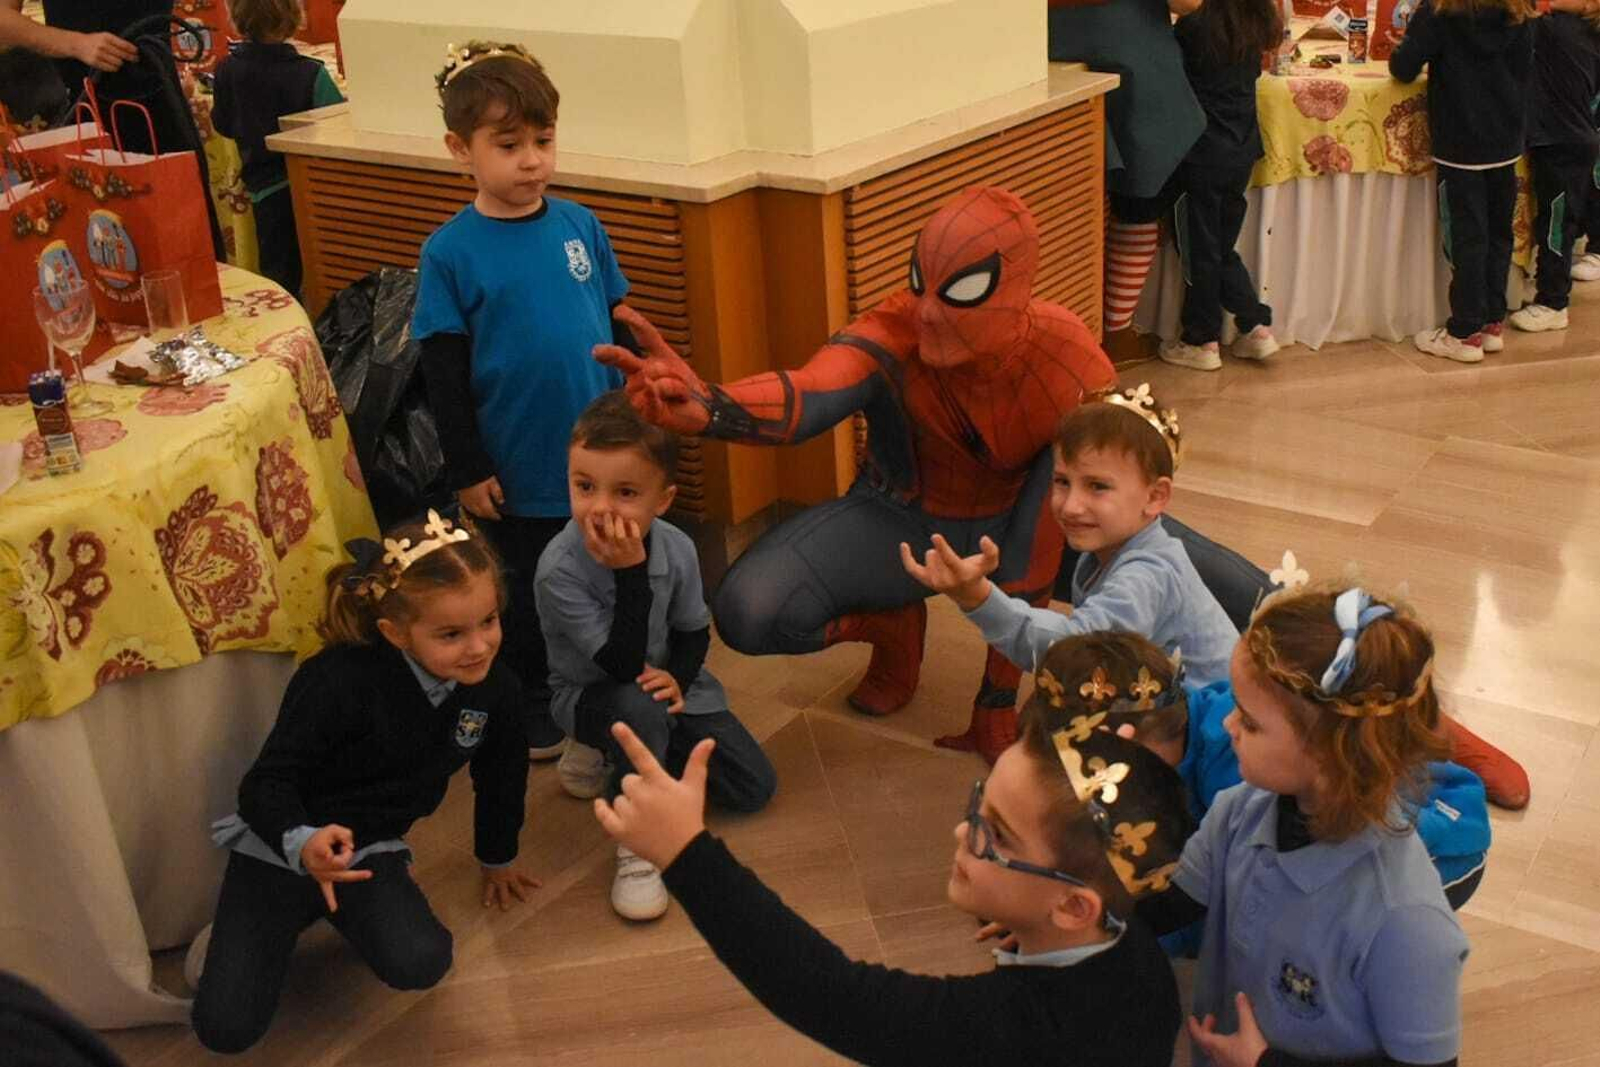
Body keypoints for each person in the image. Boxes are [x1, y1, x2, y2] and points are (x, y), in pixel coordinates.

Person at [595, 186, 1116, 765]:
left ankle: (1002, 698)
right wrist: (712, 406)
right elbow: (810, 392)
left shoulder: (1063, 351)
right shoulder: (896, 328)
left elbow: (1095, 484)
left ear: (1015, 291)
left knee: (1192, 585)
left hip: (1024, 520)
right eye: (920, 282)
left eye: (962, 291)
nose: (928, 311)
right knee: (750, 612)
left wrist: (996, 701)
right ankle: (890, 625)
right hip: (903, 516)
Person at [589, 685, 1196, 1064]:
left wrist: (687, 854)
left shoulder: (1017, 1031)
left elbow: (834, 996)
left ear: (1072, 907)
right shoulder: (1127, 949)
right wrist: (1029, 920)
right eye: (978, 805)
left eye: (997, 834)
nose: (962, 833)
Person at [188, 511, 540, 1054]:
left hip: (365, 850)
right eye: (451, 634)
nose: (479, 647)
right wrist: (302, 841)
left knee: (423, 961)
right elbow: (265, 783)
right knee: (225, 1029)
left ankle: (337, 912)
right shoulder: (336, 680)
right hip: (280, 847)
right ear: (394, 633)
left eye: (488, 621)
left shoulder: (496, 690)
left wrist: (497, 856)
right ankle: (240, 934)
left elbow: (502, 775)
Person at [1137, 586, 1470, 1067]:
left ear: (1332, 754)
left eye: (1250, 722)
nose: (1227, 725)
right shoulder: (1239, 810)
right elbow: (1170, 905)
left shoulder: (1404, 920)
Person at [413, 40, 632, 762]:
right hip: (517, 465)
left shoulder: (580, 225)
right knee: (530, 591)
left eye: (543, 140)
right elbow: (444, 372)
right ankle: (532, 699)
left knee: (598, 575)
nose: (532, 160)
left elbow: (617, 324)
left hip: (595, 455)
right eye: (509, 145)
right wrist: (468, 468)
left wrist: (637, 410)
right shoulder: (450, 252)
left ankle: (597, 684)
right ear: (461, 149)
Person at [1024, 631, 1491, 934]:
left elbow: (1220, 905)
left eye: (1246, 719)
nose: (1232, 724)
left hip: (1445, 849)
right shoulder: (1235, 778)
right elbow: (1181, 881)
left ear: (1126, 744)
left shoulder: (1248, 773)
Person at [536, 391, 776, 922]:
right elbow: (620, 667)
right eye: (584, 487)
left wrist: (679, 681)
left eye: (625, 492)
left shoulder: (677, 547)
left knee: (752, 787)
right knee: (637, 706)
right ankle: (638, 843)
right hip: (593, 693)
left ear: (662, 500)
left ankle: (632, 752)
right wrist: (630, 572)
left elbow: (693, 631)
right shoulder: (559, 569)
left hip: (660, 686)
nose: (600, 507)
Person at [900, 383, 1241, 689]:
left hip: (1213, 730)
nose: (1071, 506)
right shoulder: (1112, 548)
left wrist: (979, 597)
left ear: (1155, 497)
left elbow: (1074, 655)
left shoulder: (1146, 577)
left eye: (1097, 486)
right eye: (1062, 481)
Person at [1047, 0, 1208, 361]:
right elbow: (1188, 3)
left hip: (1047, 61)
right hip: (1133, 63)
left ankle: (1078, 329)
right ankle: (1115, 332)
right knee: (1139, 203)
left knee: (1069, 204)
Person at [1393, 0, 1536, 363]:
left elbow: (1404, 68)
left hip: (1460, 142)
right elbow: (1525, 69)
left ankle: (1464, 331)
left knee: (1467, 236)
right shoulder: (1519, 9)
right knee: (1498, 232)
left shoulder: (1441, 11)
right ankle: (1490, 321)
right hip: (1505, 138)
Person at [1158, 0, 1285, 371]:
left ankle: (1202, 339)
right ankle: (1254, 325)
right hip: (1240, 151)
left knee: (1200, 250)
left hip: (1200, 152)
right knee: (1218, 246)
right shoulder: (1254, 23)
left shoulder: (1193, 27)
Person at [211, 0, 344, 296]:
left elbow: (222, 124)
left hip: (260, 186)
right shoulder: (311, 73)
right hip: (307, 188)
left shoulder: (226, 70)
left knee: (278, 271)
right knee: (321, 269)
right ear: (293, 17)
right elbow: (336, 131)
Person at [1508, 2, 1600, 332]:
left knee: (1557, 224)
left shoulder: (1555, 30)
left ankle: (1553, 301)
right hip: (1571, 137)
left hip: (1562, 140)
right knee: (1557, 221)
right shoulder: (1577, 30)